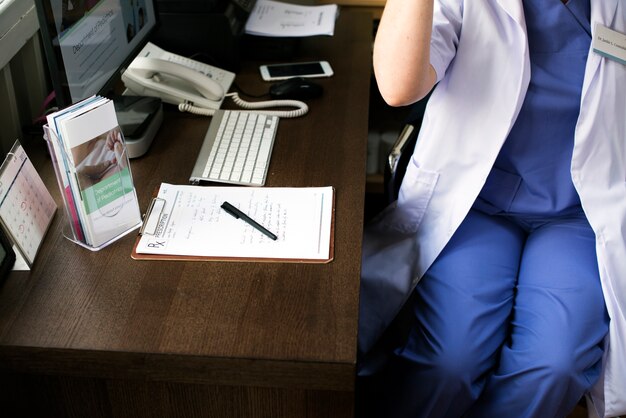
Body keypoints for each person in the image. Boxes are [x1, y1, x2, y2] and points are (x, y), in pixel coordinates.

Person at [358, 1, 626, 417]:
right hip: (475, 205)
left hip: (579, 212)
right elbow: (397, 88)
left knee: (553, 365)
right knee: (451, 361)